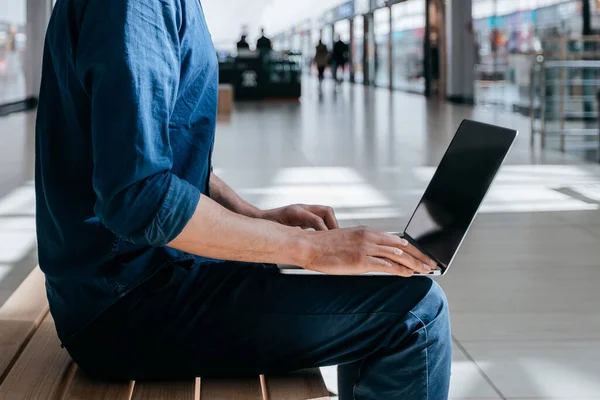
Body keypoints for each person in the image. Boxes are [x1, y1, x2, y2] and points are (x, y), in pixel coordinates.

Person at [36, 0, 452, 399]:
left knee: (377, 280)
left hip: (137, 274)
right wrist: (311, 249)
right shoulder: (137, 5)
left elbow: (172, 162)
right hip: (126, 301)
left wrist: (256, 218)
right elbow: (139, 195)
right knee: (415, 312)